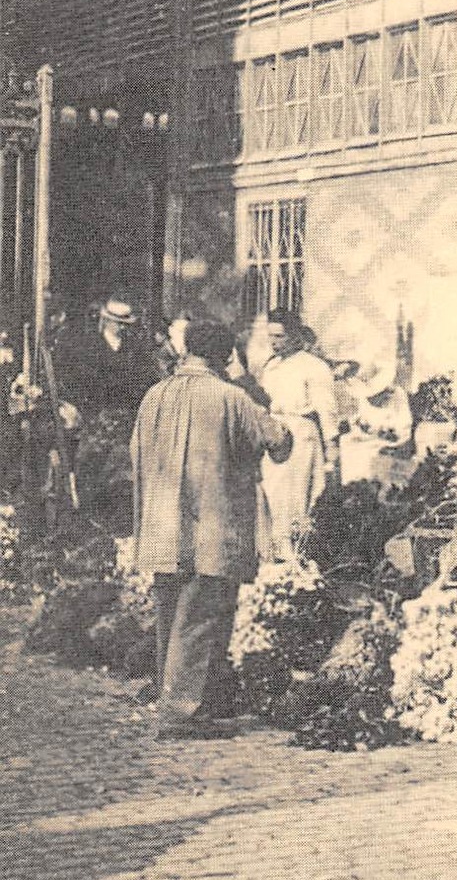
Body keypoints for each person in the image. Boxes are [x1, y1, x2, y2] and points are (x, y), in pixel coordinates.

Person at [130, 319, 292, 740]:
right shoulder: (230, 397)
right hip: (213, 525)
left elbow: (136, 454)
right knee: (202, 615)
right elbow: (279, 443)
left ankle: (185, 698)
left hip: (164, 522)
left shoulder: (154, 395)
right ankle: (183, 714)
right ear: (224, 356)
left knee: (171, 613)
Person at [54, 298, 163, 533]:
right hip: (94, 421)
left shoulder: (137, 351)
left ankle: (120, 531)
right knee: (90, 472)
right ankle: (90, 528)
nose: (122, 328)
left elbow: (150, 383)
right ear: (105, 319)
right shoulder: (86, 347)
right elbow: (73, 384)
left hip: (127, 421)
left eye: (126, 323)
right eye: (117, 322)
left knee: (124, 476)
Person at [258, 316, 339, 561]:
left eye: (280, 336)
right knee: (271, 490)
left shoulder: (314, 367)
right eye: (270, 336)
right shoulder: (271, 366)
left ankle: (293, 550)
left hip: (300, 435)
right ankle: (270, 548)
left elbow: (327, 410)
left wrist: (331, 448)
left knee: (294, 494)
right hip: (273, 433)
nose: (273, 342)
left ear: (295, 335)